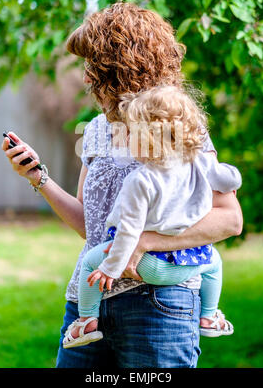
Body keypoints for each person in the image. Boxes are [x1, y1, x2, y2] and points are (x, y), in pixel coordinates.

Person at [2, 2, 243, 368]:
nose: (85, 78)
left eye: (93, 67)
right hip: (89, 302)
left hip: (160, 305)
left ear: (122, 67)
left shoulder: (175, 124)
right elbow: (92, 226)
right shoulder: (96, 129)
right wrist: (40, 178)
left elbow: (229, 219)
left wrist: (144, 243)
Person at [62, 86, 240, 348]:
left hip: (147, 265)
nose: (127, 138)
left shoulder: (141, 179)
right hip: (187, 262)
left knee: (91, 263)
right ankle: (209, 316)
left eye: (132, 132)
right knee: (214, 264)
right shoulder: (199, 164)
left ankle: (86, 322)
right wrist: (232, 180)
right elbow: (229, 177)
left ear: (148, 139)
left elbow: (130, 232)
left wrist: (110, 268)